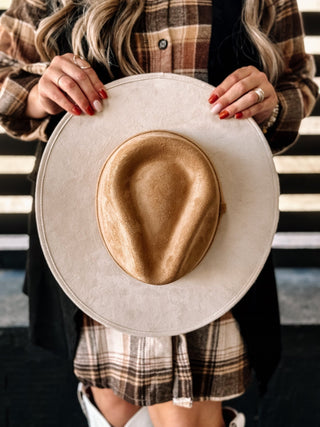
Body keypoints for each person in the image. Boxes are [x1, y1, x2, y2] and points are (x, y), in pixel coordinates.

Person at [0, 0, 318, 426]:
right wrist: (41, 93)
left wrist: (270, 103)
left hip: (210, 243)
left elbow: (299, 83)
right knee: (113, 411)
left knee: (188, 418)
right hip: (94, 240)